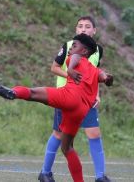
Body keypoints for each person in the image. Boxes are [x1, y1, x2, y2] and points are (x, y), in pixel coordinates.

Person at [0, 33, 114, 182]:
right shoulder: (95, 70)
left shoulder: (75, 59)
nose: (71, 47)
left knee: (33, 93)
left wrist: (70, 69)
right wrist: (108, 79)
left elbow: (76, 58)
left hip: (68, 97)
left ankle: (13, 92)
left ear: (84, 51)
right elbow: (105, 77)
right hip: (80, 112)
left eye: (75, 45)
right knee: (67, 148)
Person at [39, 16, 112, 182]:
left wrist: (97, 93)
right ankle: (45, 172)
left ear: (94, 31)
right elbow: (54, 67)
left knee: (94, 133)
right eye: (80, 26)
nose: (83, 29)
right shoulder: (69, 47)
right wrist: (71, 74)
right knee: (58, 134)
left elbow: (94, 74)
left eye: (87, 26)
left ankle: (100, 176)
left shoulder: (97, 50)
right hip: (66, 97)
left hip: (87, 100)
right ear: (76, 30)